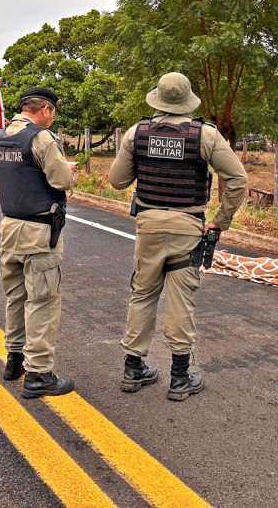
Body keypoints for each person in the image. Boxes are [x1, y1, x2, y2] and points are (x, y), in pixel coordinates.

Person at [109, 72, 248, 401]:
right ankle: (180, 377)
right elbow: (238, 179)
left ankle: (133, 368)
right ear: (187, 100)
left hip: (148, 225)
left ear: (157, 98)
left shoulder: (137, 133)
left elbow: (117, 181)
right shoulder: (206, 135)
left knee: (143, 293)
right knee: (180, 300)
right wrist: (220, 221)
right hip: (188, 226)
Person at [0, 87, 77, 399]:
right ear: (47, 110)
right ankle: (39, 373)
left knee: (16, 297)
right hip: (39, 232)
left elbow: (2, 174)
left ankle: (14, 361)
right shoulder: (41, 137)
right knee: (42, 302)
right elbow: (61, 180)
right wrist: (70, 171)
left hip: (9, 227)